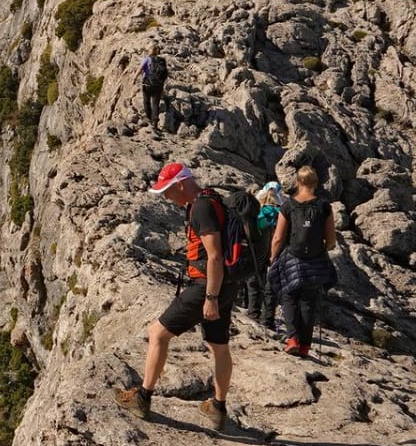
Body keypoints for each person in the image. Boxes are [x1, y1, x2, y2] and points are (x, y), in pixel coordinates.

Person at [116, 162, 238, 430]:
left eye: (168, 191)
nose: (167, 198)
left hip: (208, 285)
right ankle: (218, 407)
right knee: (218, 345)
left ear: (181, 184)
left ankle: (142, 398)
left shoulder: (202, 207)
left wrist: (210, 298)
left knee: (157, 334)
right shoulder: (211, 200)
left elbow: (215, 255)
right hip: (225, 284)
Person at [268, 166, 337, 357]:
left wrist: (273, 257)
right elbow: (331, 240)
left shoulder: (288, 205)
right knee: (308, 301)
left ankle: (292, 339)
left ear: (297, 182)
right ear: (316, 183)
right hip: (315, 260)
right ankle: (305, 346)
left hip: (292, 256)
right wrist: (323, 249)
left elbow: (278, 238)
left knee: (289, 296)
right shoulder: (324, 207)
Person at [246, 182, 283, 331]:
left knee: (254, 283)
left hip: (257, 252)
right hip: (275, 253)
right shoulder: (281, 212)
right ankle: (267, 319)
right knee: (271, 287)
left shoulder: (258, 212)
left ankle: (253, 313)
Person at [136, 46, 168, 129]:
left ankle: (149, 117)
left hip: (147, 84)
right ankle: (155, 123)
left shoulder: (147, 59)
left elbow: (140, 68)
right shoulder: (162, 60)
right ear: (157, 52)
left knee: (146, 101)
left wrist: (134, 78)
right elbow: (165, 73)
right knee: (155, 104)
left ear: (149, 51)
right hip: (158, 85)